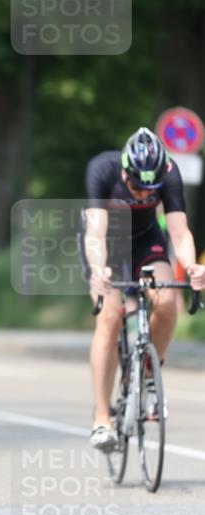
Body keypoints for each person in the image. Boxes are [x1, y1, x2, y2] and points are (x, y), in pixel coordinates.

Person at [83, 126, 205, 451]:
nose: (141, 194)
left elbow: (179, 233)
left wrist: (192, 267)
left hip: (145, 242)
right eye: (136, 186)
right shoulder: (102, 169)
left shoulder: (170, 172)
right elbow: (95, 232)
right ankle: (101, 419)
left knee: (166, 301)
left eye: (149, 189)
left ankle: (147, 377)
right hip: (106, 243)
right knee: (108, 319)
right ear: (124, 170)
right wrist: (98, 270)